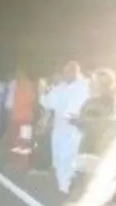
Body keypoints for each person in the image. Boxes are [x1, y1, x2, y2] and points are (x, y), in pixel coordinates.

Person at [40, 61, 93, 198]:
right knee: (59, 157)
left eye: (70, 71)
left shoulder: (86, 87)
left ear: (76, 71)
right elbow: (47, 103)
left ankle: (70, 186)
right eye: (65, 72)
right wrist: (43, 91)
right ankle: (63, 186)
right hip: (60, 128)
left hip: (77, 128)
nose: (67, 74)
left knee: (73, 158)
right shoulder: (59, 88)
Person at [8, 71, 38, 171]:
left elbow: (31, 101)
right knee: (17, 142)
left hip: (25, 119)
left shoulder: (27, 88)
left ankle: (24, 164)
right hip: (17, 118)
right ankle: (17, 162)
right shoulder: (17, 88)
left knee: (24, 142)